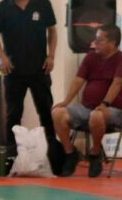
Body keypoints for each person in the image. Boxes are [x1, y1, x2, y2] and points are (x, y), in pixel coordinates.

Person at [0, 0, 57, 151]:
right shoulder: (3, 7)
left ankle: (52, 151)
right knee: (13, 114)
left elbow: (52, 30)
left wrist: (51, 55)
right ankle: (12, 153)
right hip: (13, 69)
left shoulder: (42, 3)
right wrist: (2, 57)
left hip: (40, 68)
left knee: (46, 111)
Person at [51, 25, 122, 177]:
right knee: (57, 113)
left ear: (112, 43)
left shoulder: (120, 59)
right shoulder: (91, 57)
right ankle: (70, 153)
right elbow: (78, 80)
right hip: (86, 107)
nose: (95, 43)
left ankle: (95, 154)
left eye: (99, 40)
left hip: (113, 110)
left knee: (96, 115)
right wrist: (66, 101)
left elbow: (117, 83)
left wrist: (104, 104)